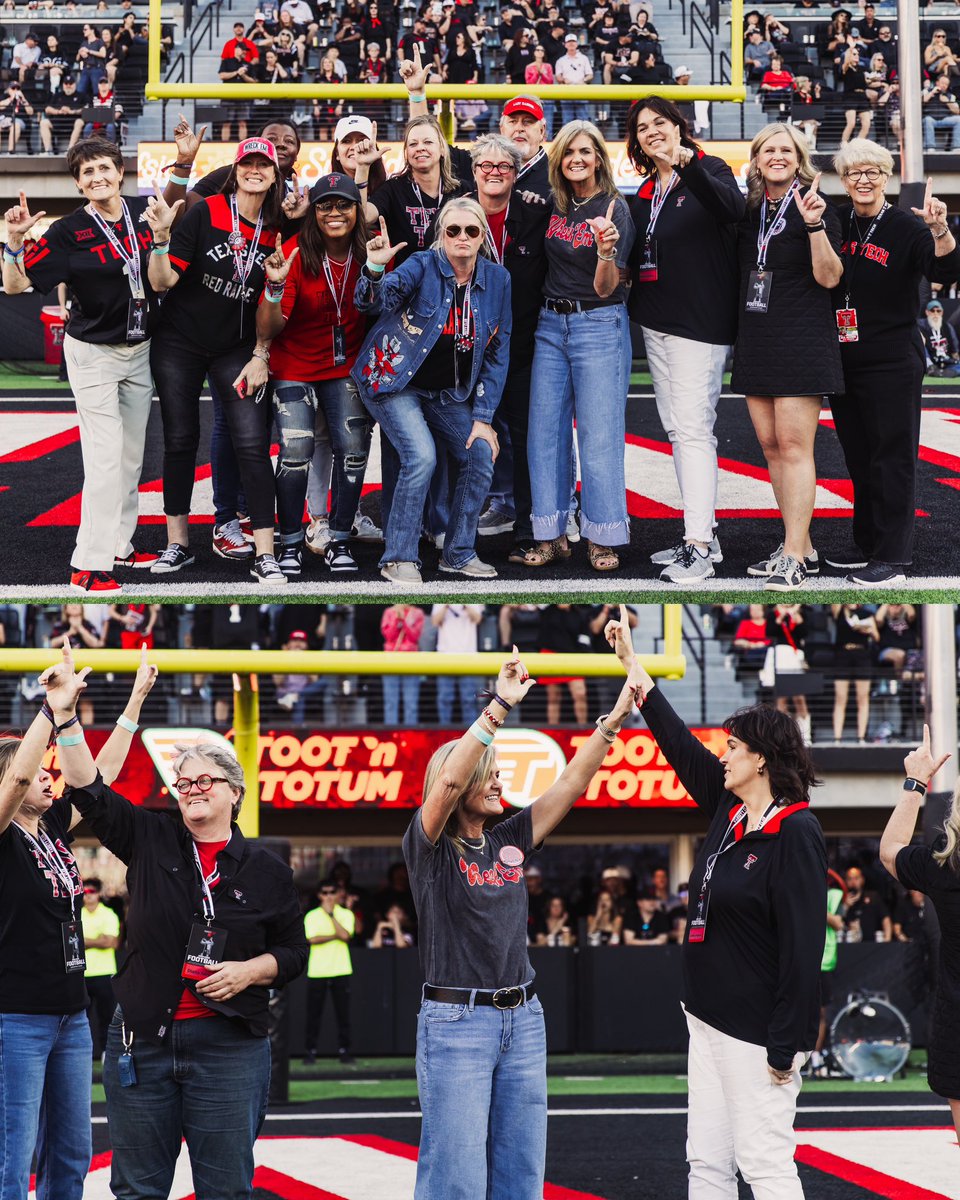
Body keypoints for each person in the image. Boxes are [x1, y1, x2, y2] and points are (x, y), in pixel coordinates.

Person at [47, 641, 309, 1200]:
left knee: (226, 1189)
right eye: (183, 783)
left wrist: (251, 970)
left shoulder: (268, 869)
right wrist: (66, 717)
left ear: (235, 792)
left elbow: (294, 954)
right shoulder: (151, 836)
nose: (190, 790)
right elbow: (89, 791)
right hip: (143, 1037)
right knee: (138, 1191)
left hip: (230, 1043)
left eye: (204, 781)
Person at [403, 647, 644, 1198]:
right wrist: (498, 707)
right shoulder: (428, 848)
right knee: (456, 1180)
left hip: (524, 1019)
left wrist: (614, 720)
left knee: (521, 1176)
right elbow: (444, 788)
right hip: (456, 1022)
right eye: (488, 775)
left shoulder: (507, 838)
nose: (499, 782)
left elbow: (570, 785)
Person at [604, 605, 826, 1200]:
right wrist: (632, 664)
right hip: (703, 1019)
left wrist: (786, 1042)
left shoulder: (796, 831)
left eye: (731, 747)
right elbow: (677, 744)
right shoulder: (729, 812)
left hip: (755, 1033)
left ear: (761, 758)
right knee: (705, 1165)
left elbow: (805, 946)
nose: (721, 756)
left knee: (765, 1166)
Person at [0, 644, 157, 1200]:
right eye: (39, 773)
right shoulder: (3, 834)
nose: (49, 778)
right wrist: (53, 708)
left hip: (70, 1014)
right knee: (12, 1156)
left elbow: (98, 778)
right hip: (15, 1017)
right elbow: (17, 778)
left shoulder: (50, 830)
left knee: (71, 1154)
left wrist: (133, 704)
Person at [2, 138, 161, 594]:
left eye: (104, 168)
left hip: (140, 347)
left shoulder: (142, 212)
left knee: (131, 457)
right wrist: (14, 242)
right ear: (77, 183)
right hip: (93, 353)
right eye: (87, 172)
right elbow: (14, 287)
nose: (97, 177)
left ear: (121, 172)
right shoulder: (67, 231)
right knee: (105, 458)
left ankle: (119, 544)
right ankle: (87, 566)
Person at [145, 137, 287, 584]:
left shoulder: (278, 226)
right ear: (236, 170)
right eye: (248, 163)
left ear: (274, 174)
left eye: (263, 164)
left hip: (235, 347)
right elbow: (162, 281)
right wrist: (161, 239)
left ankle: (265, 552)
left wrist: (261, 351)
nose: (255, 170)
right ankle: (178, 543)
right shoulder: (206, 211)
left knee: (252, 442)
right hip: (180, 341)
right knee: (180, 439)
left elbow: (274, 304)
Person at [350, 200, 512, 585]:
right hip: (393, 380)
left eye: (471, 231)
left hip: (446, 393)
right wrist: (375, 269)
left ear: (482, 237)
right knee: (421, 455)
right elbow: (372, 302)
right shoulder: (422, 265)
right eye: (453, 230)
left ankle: (457, 553)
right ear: (442, 235)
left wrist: (483, 418)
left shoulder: (498, 280)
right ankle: (398, 558)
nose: (462, 237)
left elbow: (497, 352)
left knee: (479, 452)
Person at [827, 142, 960, 584]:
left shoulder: (907, 226)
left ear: (887, 177)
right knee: (859, 458)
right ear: (844, 181)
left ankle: (893, 558)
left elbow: (943, 272)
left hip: (892, 359)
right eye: (854, 173)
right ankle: (867, 542)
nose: (863, 180)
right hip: (845, 357)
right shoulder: (837, 219)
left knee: (892, 459)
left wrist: (940, 231)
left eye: (872, 172)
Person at [626, 98, 744, 583]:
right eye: (642, 127)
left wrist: (686, 163)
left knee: (694, 431)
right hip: (655, 321)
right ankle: (703, 535)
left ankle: (697, 547)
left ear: (679, 126)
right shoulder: (645, 189)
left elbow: (732, 208)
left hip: (699, 325)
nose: (652, 131)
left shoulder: (708, 167)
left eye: (660, 122)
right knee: (678, 431)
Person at [732, 124, 843, 592]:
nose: (777, 156)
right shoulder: (751, 210)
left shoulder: (817, 205)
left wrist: (814, 225)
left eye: (786, 150)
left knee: (795, 447)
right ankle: (801, 546)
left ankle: (794, 556)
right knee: (771, 447)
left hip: (802, 338)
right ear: (757, 160)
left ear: (799, 159)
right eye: (769, 150)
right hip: (758, 337)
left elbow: (830, 277)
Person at [525, 121, 635, 573]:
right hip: (550, 324)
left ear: (599, 158)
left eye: (585, 151)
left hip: (598, 322)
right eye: (569, 152)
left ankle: (602, 536)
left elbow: (607, 288)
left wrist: (605, 250)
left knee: (599, 436)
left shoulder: (614, 208)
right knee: (544, 433)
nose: (577, 159)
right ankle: (551, 535)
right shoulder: (555, 202)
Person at [255, 173, 372, 578]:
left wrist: (376, 269)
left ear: (357, 210)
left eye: (344, 204)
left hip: (345, 365)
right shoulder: (293, 252)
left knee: (354, 448)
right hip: (294, 364)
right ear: (313, 212)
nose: (334, 212)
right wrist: (273, 288)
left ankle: (340, 538)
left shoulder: (371, 251)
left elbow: (381, 308)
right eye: (325, 205)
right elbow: (269, 328)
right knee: (295, 452)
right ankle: (290, 542)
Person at [360, 115, 465, 265]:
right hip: (406, 277)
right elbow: (363, 216)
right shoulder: (393, 189)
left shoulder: (462, 191)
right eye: (413, 144)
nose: (420, 148)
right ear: (406, 153)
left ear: (442, 149)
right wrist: (363, 167)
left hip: (453, 277)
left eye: (428, 142)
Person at [303, 878, 355, 1064]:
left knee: (343, 1015)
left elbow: (346, 936)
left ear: (338, 894)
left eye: (332, 892)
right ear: (319, 895)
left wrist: (331, 915)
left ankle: (345, 1051)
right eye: (325, 893)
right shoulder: (311, 915)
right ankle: (310, 1052)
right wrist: (334, 935)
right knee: (313, 1014)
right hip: (317, 971)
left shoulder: (346, 913)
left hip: (341, 969)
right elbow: (311, 939)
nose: (329, 896)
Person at [81, 875, 121, 1060]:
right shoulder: (77, 914)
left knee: (107, 1016)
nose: (88, 895)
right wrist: (98, 939)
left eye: (92, 891)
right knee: (82, 1019)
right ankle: (84, 1054)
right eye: (85, 891)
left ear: (98, 894)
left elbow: (110, 942)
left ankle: (107, 1053)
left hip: (104, 972)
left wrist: (83, 941)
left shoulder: (108, 914)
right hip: (82, 974)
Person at [831, 603, 878, 741]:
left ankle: (861, 737)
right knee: (840, 697)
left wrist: (867, 630)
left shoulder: (866, 613)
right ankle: (837, 738)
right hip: (843, 654)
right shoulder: (839, 611)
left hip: (862, 654)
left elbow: (877, 636)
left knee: (862, 698)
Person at [381, 605, 426, 725]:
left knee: (411, 703)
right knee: (390, 702)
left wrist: (404, 620)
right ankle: (391, 732)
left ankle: (410, 732)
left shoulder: (417, 613)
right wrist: (397, 619)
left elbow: (414, 637)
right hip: (391, 661)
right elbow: (389, 636)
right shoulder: (389, 612)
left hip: (410, 661)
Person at [554, 33, 593, 124]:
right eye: (569, 42)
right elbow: (558, 76)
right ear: (565, 44)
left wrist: (583, 80)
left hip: (581, 91)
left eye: (573, 41)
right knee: (567, 120)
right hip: (566, 92)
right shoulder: (561, 60)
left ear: (577, 44)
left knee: (583, 120)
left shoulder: (584, 58)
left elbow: (590, 75)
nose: (571, 44)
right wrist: (563, 80)